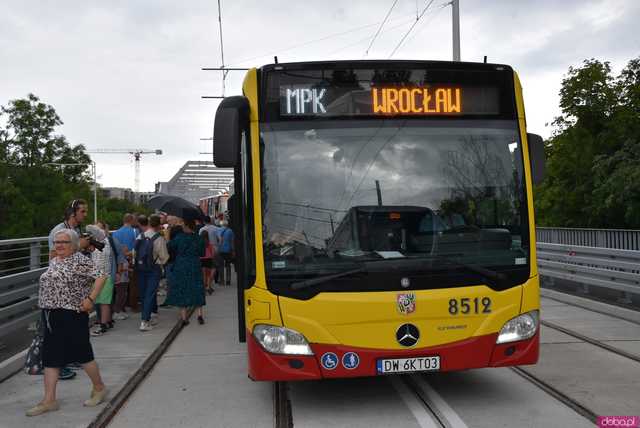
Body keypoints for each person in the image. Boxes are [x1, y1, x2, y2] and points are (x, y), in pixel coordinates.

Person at [26, 229, 108, 417]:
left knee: (83, 354)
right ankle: (49, 400)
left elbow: (102, 276)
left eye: (64, 242)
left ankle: (99, 387)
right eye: (56, 242)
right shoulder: (55, 260)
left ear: (73, 244)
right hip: (50, 314)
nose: (59, 245)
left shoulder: (79, 260)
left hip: (72, 313)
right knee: (51, 357)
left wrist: (90, 299)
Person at [164, 218, 206, 325]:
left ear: (187, 226)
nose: (182, 227)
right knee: (197, 287)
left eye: (183, 225)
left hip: (181, 265)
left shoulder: (179, 238)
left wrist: (167, 235)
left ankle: (184, 318)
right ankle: (200, 315)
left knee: (182, 288)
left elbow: (169, 247)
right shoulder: (199, 238)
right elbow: (202, 253)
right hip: (195, 264)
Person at [134, 215, 169, 331]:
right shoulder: (159, 238)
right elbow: (164, 257)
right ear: (159, 225)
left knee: (144, 294)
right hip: (154, 269)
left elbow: (135, 253)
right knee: (150, 293)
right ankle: (145, 321)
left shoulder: (141, 236)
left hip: (140, 268)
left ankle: (146, 315)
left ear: (149, 223)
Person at [86, 225, 114, 336]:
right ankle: (106, 322)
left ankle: (103, 325)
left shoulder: (104, 242)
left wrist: (89, 231)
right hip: (99, 276)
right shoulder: (99, 244)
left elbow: (90, 228)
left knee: (103, 303)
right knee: (102, 302)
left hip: (103, 277)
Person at [113, 214, 139, 311]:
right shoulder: (135, 231)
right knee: (133, 285)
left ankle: (121, 307)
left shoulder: (116, 233)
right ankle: (132, 305)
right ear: (131, 220)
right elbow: (137, 247)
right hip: (131, 260)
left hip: (120, 261)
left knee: (121, 287)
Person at [216, 220, 235, 286]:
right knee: (228, 265)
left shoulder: (218, 230)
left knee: (220, 266)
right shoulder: (230, 231)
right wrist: (233, 251)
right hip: (228, 250)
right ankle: (228, 280)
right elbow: (232, 242)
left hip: (220, 250)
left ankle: (221, 281)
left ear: (221, 224)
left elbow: (217, 241)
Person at [199, 229, 214, 295]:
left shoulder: (199, 243)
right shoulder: (209, 244)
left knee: (203, 274)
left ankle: (204, 288)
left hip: (201, 259)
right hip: (209, 259)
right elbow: (212, 252)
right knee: (208, 274)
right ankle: (208, 286)